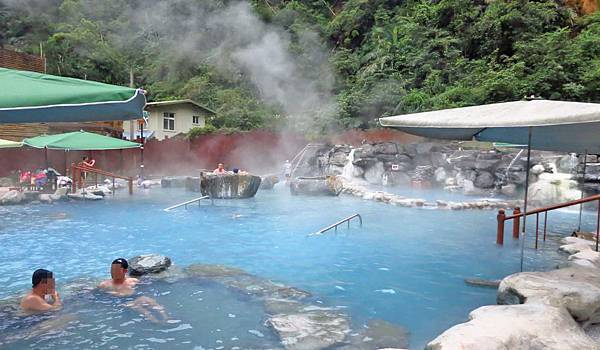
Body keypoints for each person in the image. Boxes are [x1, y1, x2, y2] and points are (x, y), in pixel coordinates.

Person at [98, 258, 168, 323]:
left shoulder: (132, 280)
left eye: (116, 270)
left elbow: (144, 285)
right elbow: (99, 294)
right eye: (112, 270)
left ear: (124, 271)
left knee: (150, 301)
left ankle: (166, 318)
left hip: (135, 296)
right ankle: (155, 321)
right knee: (141, 309)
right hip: (123, 301)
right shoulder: (105, 284)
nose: (113, 272)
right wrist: (113, 294)